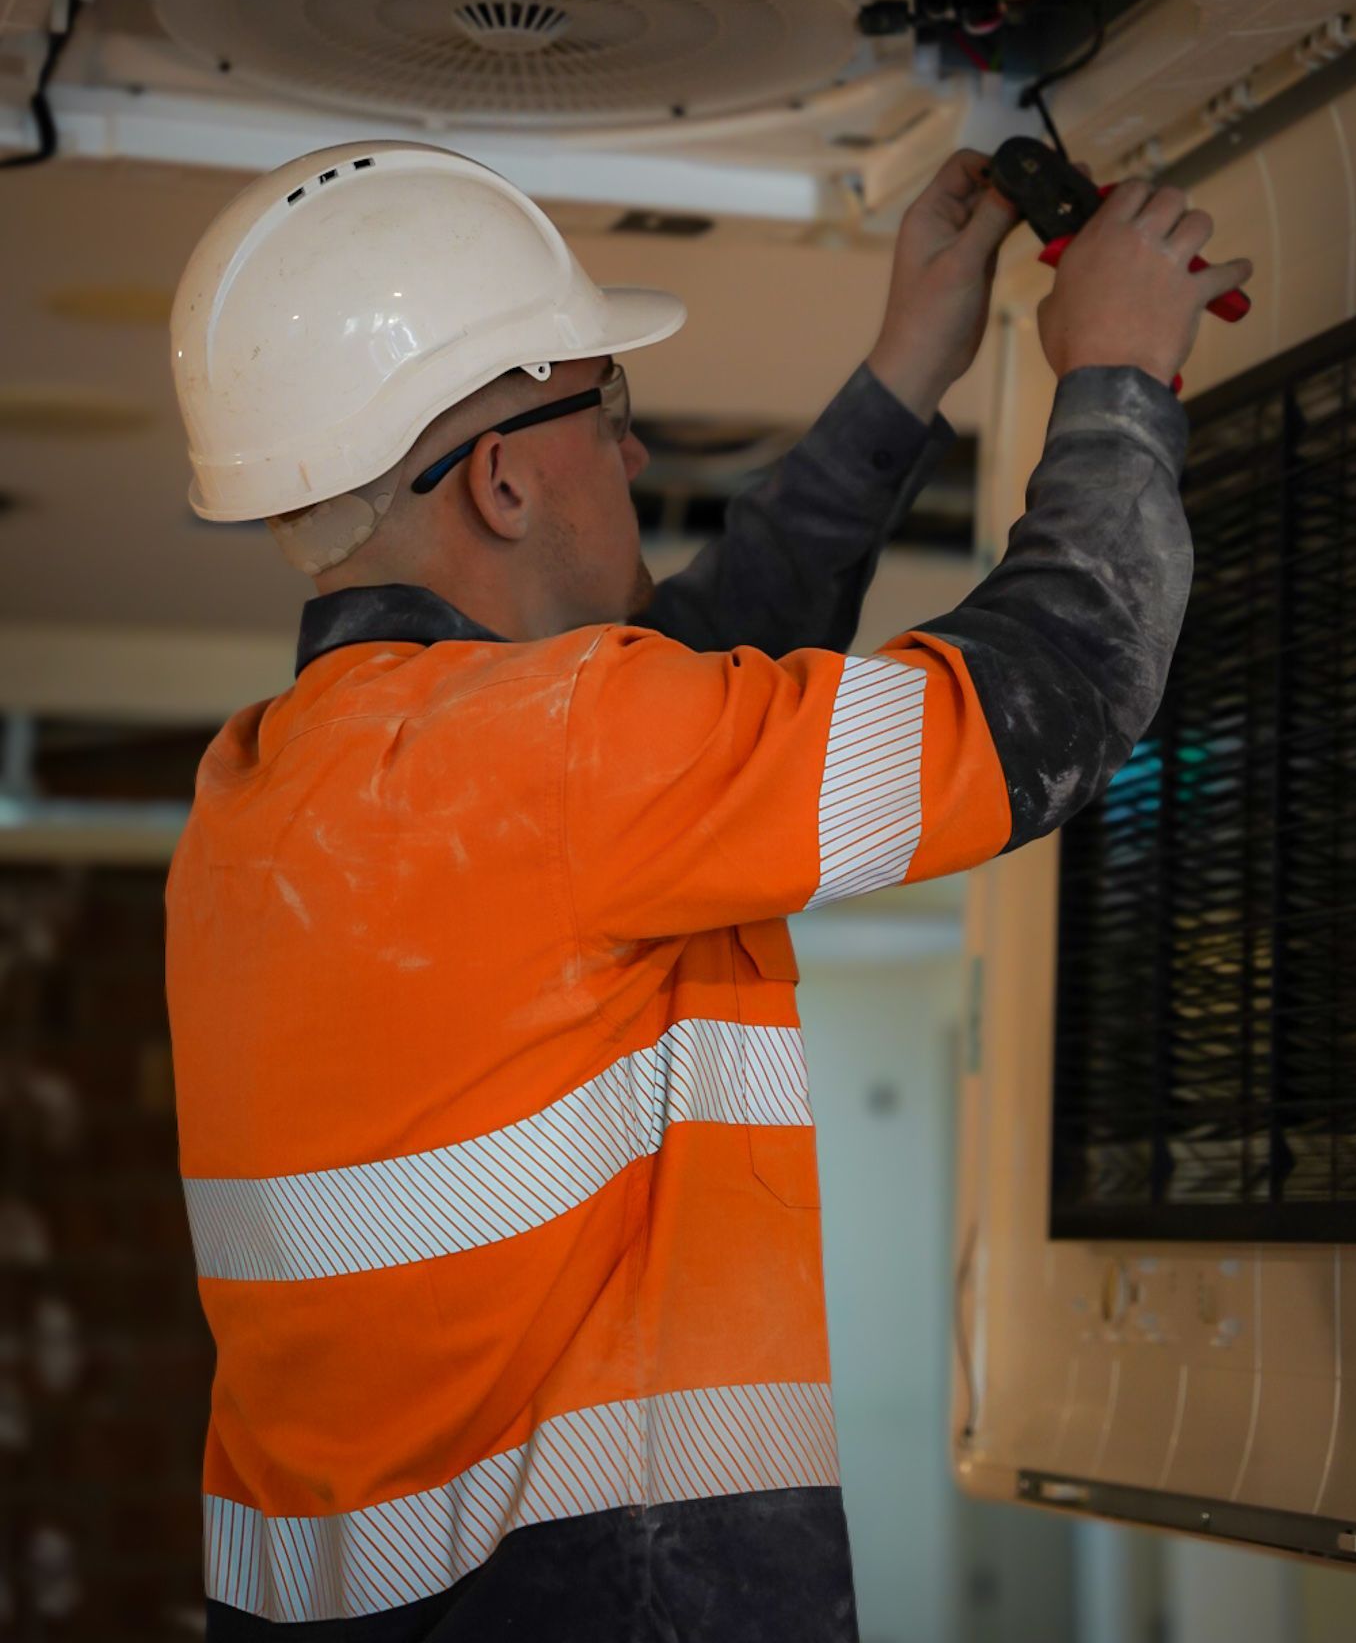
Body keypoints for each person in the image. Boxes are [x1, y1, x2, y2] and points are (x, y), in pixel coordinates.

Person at [165, 139, 1250, 1640]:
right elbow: (1051, 691)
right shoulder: (558, 761)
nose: (631, 454)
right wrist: (1119, 370)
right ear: (500, 477)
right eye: (609, 411)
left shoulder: (261, 798)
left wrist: (899, 380)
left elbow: (668, 710)